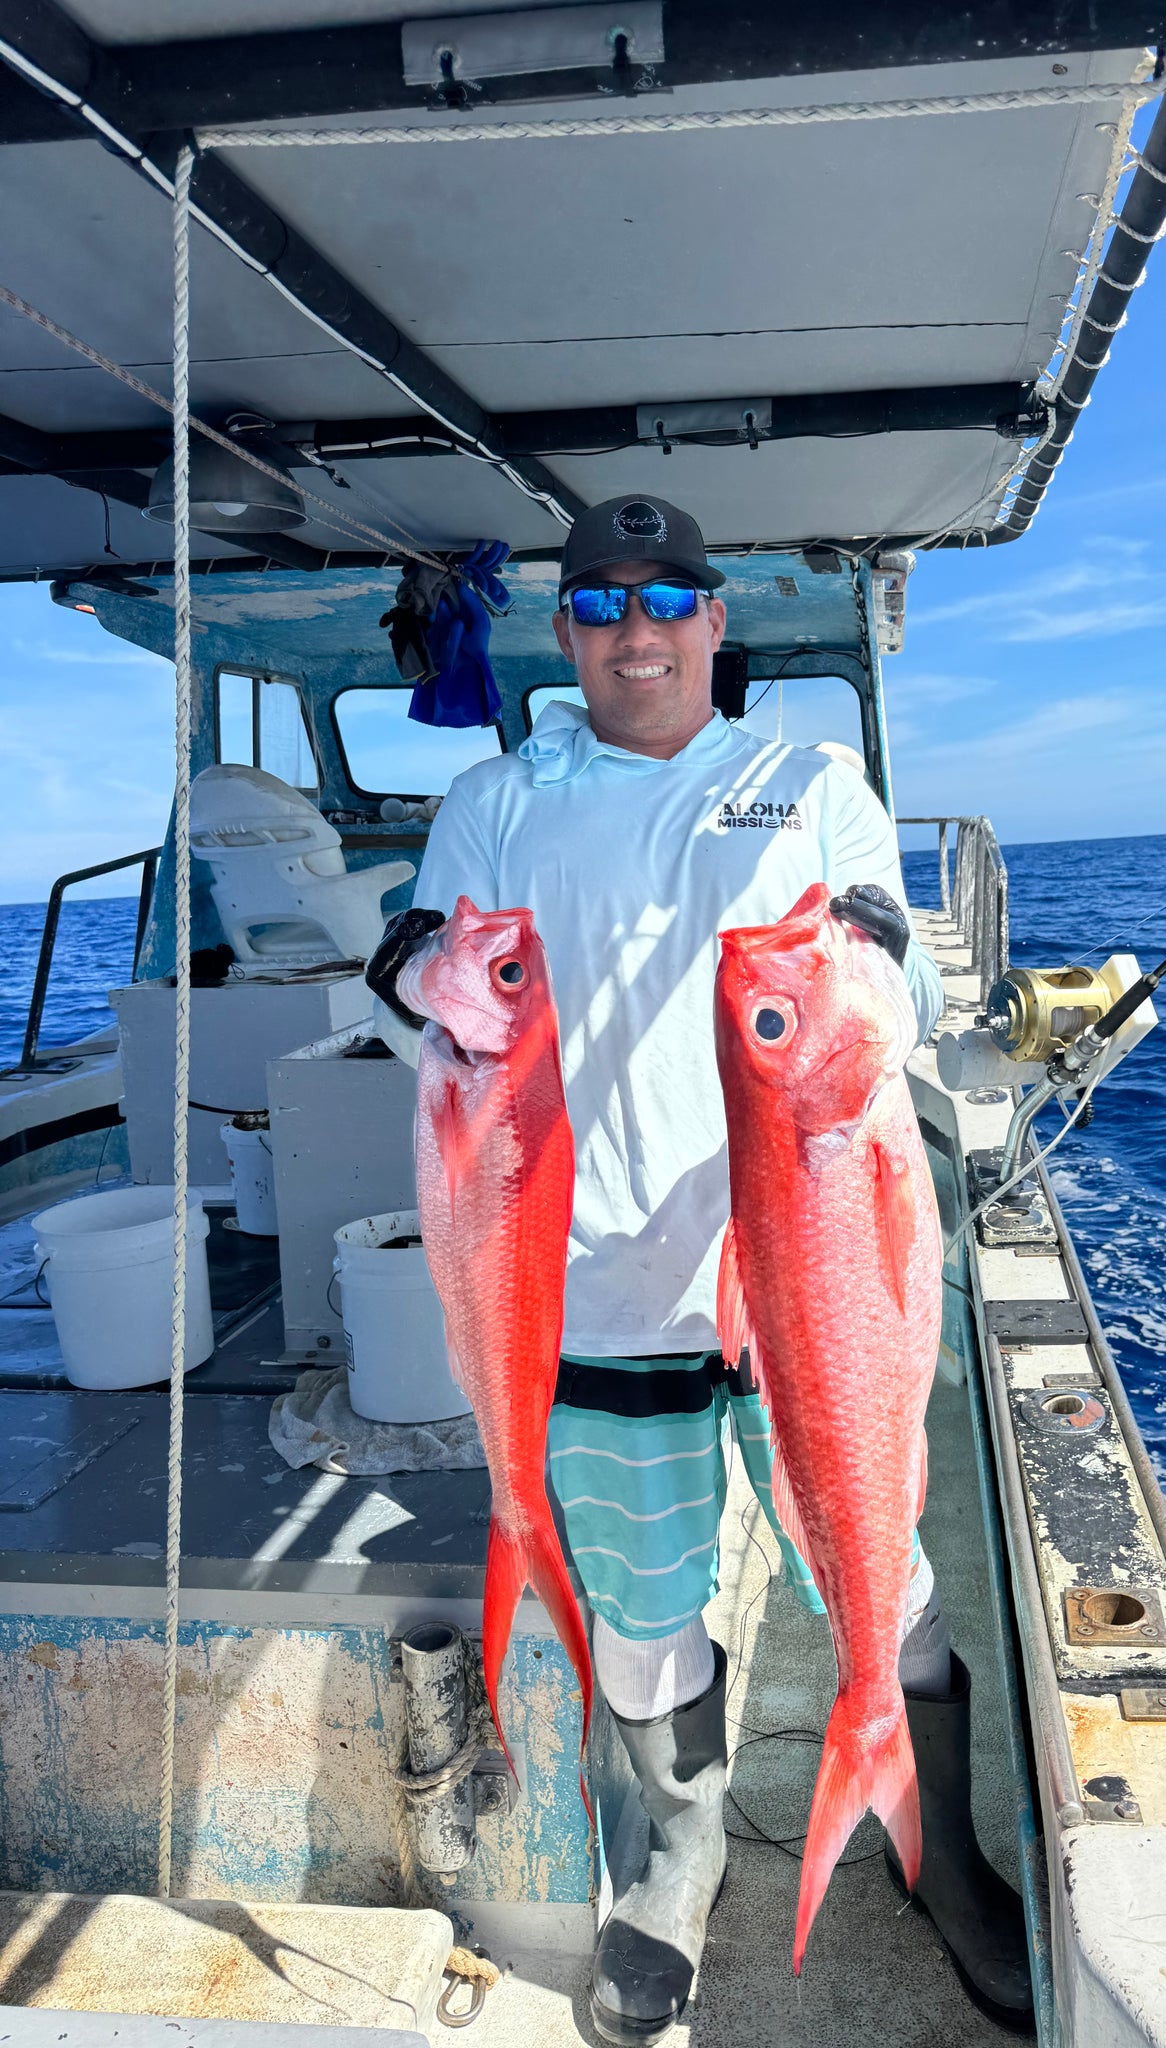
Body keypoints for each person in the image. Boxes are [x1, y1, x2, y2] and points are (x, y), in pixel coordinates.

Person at [367, 496, 1031, 2042]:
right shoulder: (497, 800)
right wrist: (420, 973)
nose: (637, 629)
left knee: (888, 1584)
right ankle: (672, 1870)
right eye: (602, 603)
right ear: (564, 632)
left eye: (668, 597)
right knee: (645, 1614)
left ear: (715, 624)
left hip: (803, 1290)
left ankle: (940, 1854)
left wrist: (872, 970)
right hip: (590, 1296)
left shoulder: (807, 783)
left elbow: (900, 984)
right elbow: (417, 982)